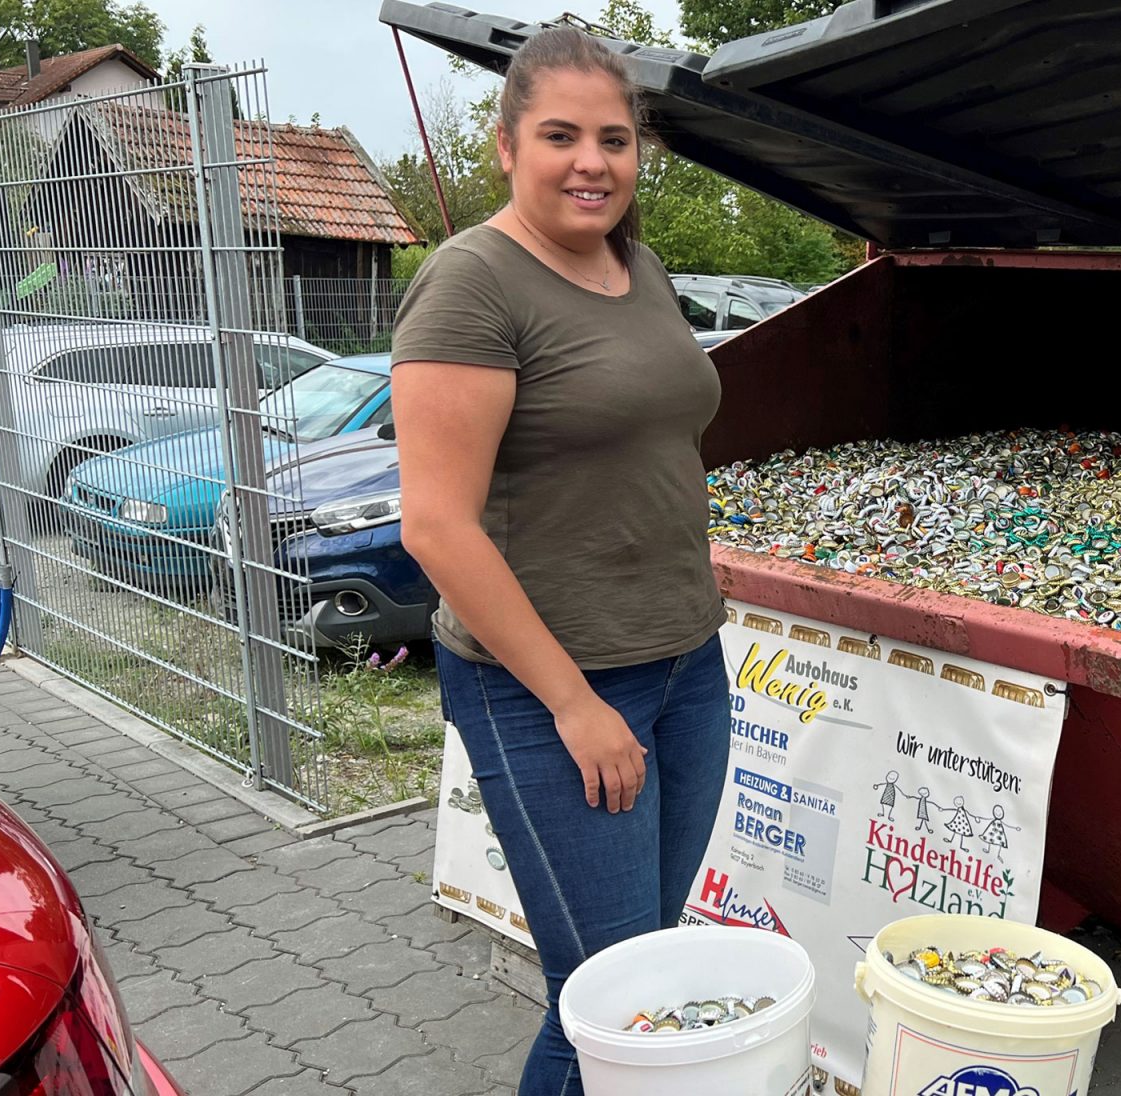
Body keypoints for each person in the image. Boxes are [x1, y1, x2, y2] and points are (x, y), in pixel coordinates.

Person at [389, 27, 729, 1096]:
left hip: (683, 665)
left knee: (648, 971)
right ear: (505, 146)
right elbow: (436, 527)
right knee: (611, 999)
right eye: (560, 136)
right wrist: (577, 704)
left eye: (615, 139)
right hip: (550, 689)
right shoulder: (472, 284)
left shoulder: (639, 265)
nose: (593, 161)